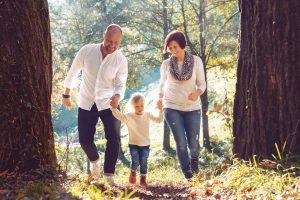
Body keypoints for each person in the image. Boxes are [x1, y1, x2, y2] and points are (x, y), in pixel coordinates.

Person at [62, 24, 128, 185]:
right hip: (87, 101)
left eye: (116, 43)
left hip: (108, 103)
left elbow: (121, 84)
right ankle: (94, 161)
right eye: (109, 41)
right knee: (84, 140)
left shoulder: (120, 60)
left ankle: (109, 176)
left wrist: (117, 96)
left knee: (114, 139)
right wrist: (66, 93)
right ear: (103, 35)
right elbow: (73, 72)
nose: (112, 45)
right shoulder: (87, 51)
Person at [156, 30, 206, 180]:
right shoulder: (166, 64)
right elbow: (162, 85)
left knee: (193, 143)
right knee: (181, 143)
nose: (173, 51)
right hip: (171, 107)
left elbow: (202, 83)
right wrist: (159, 98)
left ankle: (194, 161)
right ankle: (188, 174)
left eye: (175, 47)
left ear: (182, 45)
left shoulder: (196, 61)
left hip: (192, 108)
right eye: (170, 48)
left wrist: (197, 93)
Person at [110, 93, 163, 187]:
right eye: (137, 106)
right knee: (135, 161)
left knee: (143, 162)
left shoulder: (148, 114)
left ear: (144, 105)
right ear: (132, 106)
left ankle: (143, 179)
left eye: (142, 105)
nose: (140, 108)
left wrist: (161, 110)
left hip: (145, 144)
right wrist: (114, 108)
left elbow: (158, 120)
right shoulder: (129, 116)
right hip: (133, 144)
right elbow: (120, 116)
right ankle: (133, 171)